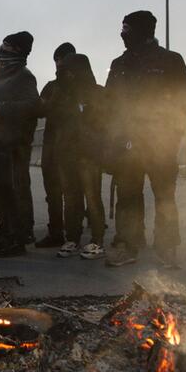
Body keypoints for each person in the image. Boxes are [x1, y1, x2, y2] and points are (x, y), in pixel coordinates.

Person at [104, 11, 186, 268]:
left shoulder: (170, 61)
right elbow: (109, 105)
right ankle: (129, 245)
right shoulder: (119, 64)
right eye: (122, 28)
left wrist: (170, 132)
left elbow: (185, 99)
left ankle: (167, 248)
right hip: (127, 144)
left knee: (164, 196)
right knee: (128, 196)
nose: (123, 34)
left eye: (127, 29)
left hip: (160, 143)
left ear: (144, 31)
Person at [0, 31, 40, 258]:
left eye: (7, 45)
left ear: (17, 50)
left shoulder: (24, 76)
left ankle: (17, 239)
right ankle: (5, 234)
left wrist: (1, 110)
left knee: (13, 193)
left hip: (14, 145)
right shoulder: (1, 76)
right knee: (0, 193)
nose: (1, 48)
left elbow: (32, 105)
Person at [46, 53, 108, 260]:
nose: (67, 74)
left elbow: (103, 122)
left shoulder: (97, 93)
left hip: (88, 154)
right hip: (66, 152)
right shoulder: (61, 93)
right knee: (71, 199)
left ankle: (97, 241)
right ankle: (72, 238)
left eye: (70, 70)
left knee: (92, 197)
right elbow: (49, 113)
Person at [35, 42, 77, 249]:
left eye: (61, 60)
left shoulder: (80, 86)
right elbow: (40, 109)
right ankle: (59, 231)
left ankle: (69, 233)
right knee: (54, 192)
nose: (59, 64)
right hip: (54, 145)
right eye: (58, 60)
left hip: (68, 146)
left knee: (69, 191)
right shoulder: (52, 86)